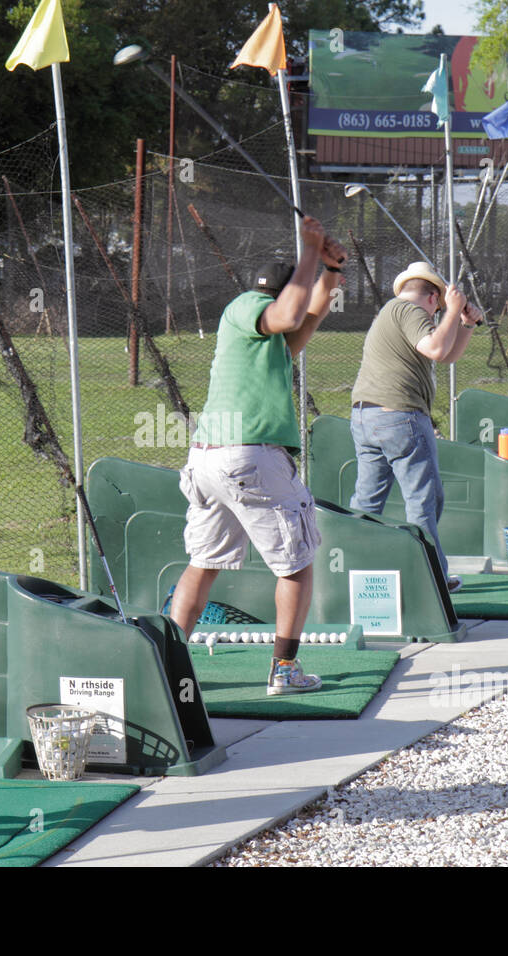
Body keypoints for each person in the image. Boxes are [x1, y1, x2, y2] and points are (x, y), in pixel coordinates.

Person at [169, 216, 345, 695]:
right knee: (296, 566)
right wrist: (310, 250)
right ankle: (284, 670)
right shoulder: (248, 305)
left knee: (202, 565)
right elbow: (291, 313)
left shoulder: (270, 344)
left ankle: (167, 667)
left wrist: (327, 270)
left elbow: (309, 315)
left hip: (210, 461)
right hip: (247, 459)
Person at [348, 261, 479, 593]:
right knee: (425, 500)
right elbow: (436, 347)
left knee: (367, 502)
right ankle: (430, 578)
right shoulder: (409, 311)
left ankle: (352, 572)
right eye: (438, 309)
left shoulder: (392, 311)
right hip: (399, 418)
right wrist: (453, 309)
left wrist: (466, 324)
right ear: (433, 298)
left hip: (366, 418)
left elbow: (445, 354)